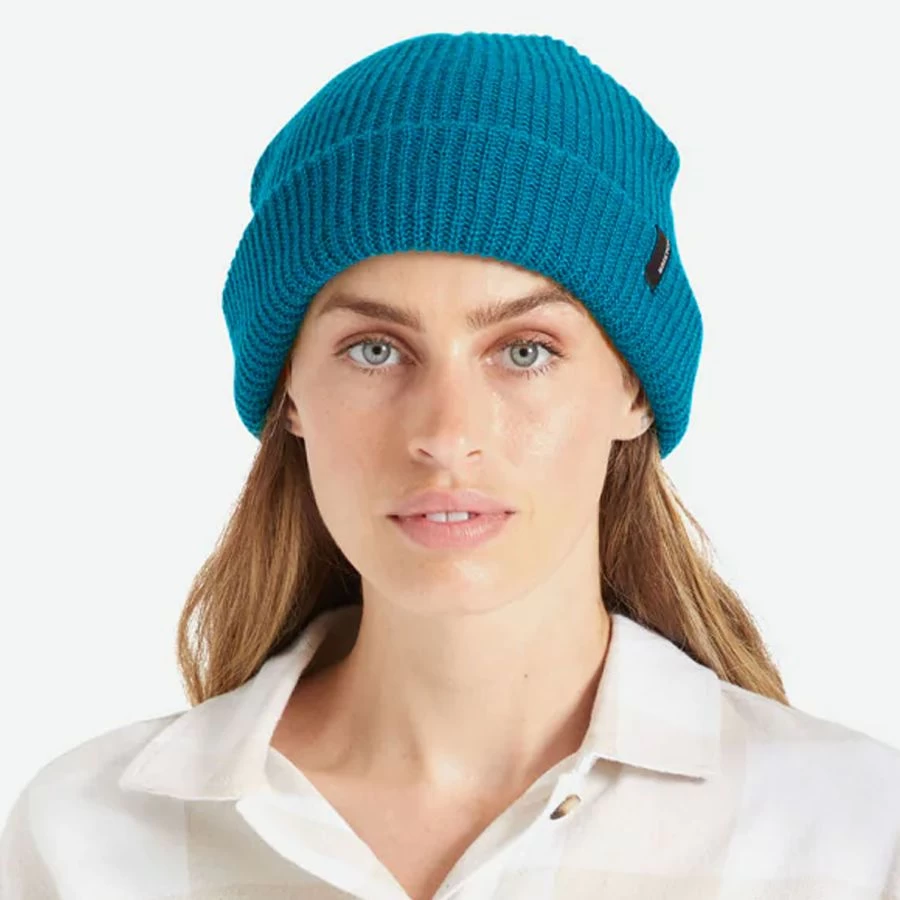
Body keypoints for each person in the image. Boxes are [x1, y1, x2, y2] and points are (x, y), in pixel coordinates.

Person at [2, 29, 899, 900]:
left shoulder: (856, 836)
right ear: (290, 396)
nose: (445, 433)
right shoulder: (88, 841)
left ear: (633, 389)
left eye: (525, 350)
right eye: (375, 350)